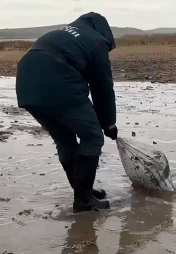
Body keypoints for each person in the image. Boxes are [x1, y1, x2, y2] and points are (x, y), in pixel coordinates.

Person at [16, 12, 118, 212]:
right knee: (92, 137)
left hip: (26, 86)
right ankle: (84, 200)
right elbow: (102, 86)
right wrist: (109, 124)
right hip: (56, 80)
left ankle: (83, 193)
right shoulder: (96, 42)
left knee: (64, 140)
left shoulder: (63, 34)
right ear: (104, 31)